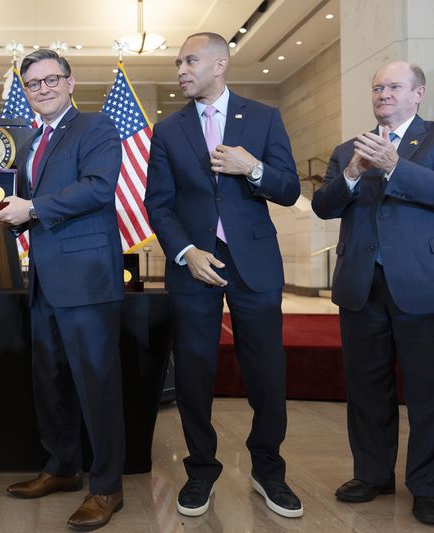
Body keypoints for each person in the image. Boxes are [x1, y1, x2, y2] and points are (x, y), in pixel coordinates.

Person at [144, 32, 302, 518]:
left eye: (190, 61)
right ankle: (200, 470)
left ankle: (268, 470)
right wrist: (186, 251)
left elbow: (290, 189)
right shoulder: (168, 130)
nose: (181, 70)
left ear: (220, 64)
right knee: (193, 371)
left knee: (267, 371)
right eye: (177, 63)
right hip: (195, 265)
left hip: (253, 263)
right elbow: (158, 203)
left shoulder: (263, 118)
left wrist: (252, 167)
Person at [0, 49, 125, 531]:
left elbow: (97, 187)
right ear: (25, 91)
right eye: (33, 83)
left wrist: (31, 208)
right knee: (51, 382)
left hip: (88, 280)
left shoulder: (96, 128)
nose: (43, 88)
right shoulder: (30, 143)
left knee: (96, 385)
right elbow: (28, 206)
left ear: (71, 83)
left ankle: (107, 487)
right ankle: (63, 467)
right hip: (44, 281)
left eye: (52, 79)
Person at [311, 61, 434, 525]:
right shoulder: (349, 148)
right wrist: (351, 175)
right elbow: (324, 206)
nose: (383, 93)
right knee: (366, 389)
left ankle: (427, 485)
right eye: (377, 87)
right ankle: (372, 474)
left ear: (418, 93)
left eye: (394, 86)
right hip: (361, 286)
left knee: (427, 392)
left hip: (421, 285)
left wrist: (395, 167)